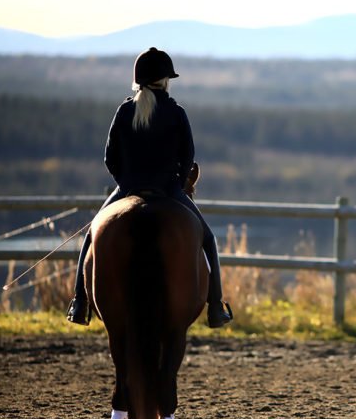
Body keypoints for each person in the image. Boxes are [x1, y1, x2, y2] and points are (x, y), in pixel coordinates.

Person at [66, 47, 232, 328]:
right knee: (208, 239)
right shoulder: (176, 112)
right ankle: (216, 307)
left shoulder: (125, 110)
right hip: (168, 190)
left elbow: (110, 157)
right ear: (165, 81)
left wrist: (126, 184)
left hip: (128, 188)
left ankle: (79, 302)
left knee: (93, 234)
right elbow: (188, 156)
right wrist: (176, 186)